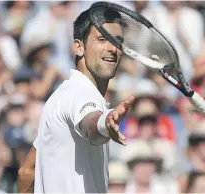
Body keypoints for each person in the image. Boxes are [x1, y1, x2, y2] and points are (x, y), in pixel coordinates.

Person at [18, 6, 134, 193]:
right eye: (102, 39)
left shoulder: (61, 95)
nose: (112, 48)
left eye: (117, 41)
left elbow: (27, 172)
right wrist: (104, 123)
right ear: (79, 47)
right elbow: (91, 124)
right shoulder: (82, 94)